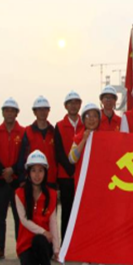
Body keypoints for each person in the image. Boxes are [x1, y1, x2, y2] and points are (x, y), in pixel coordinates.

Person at [68, 103, 108, 265]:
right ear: (83, 119)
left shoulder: (106, 138)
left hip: (100, 189)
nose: (92, 119)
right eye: (88, 116)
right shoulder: (78, 137)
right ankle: (87, 260)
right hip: (83, 189)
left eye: (95, 116)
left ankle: (102, 260)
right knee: (86, 225)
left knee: (101, 224)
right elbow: (72, 158)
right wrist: (84, 140)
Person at [0, 97, 25, 261]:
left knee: (19, 217)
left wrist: (13, 170)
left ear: (17, 113)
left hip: (17, 181)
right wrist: (3, 172)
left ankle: (21, 248)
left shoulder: (23, 132)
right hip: (0, 180)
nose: (9, 113)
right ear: (2, 113)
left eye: (12, 111)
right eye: (6, 110)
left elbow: (24, 155)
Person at [15, 150, 59, 265]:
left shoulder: (51, 194)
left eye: (40, 170)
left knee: (39, 240)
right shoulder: (20, 194)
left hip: (43, 243)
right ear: (28, 172)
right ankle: (33, 262)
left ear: (45, 172)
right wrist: (43, 231)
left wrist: (56, 248)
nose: (37, 175)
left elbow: (53, 222)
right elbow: (24, 220)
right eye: (33, 170)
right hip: (26, 244)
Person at [54, 90, 84, 240]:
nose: (73, 105)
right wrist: (70, 169)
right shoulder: (59, 126)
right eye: (70, 103)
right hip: (65, 176)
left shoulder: (86, 125)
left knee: (81, 212)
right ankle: (65, 243)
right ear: (65, 106)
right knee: (66, 211)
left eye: (76, 103)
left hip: (82, 175)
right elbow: (59, 152)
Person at [16, 96, 57, 188]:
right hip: (33, 180)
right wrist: (22, 178)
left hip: (51, 178)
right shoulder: (27, 131)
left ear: (48, 111)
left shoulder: (53, 132)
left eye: (45, 109)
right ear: (34, 112)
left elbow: (57, 156)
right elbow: (22, 156)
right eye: (39, 109)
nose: (42, 112)